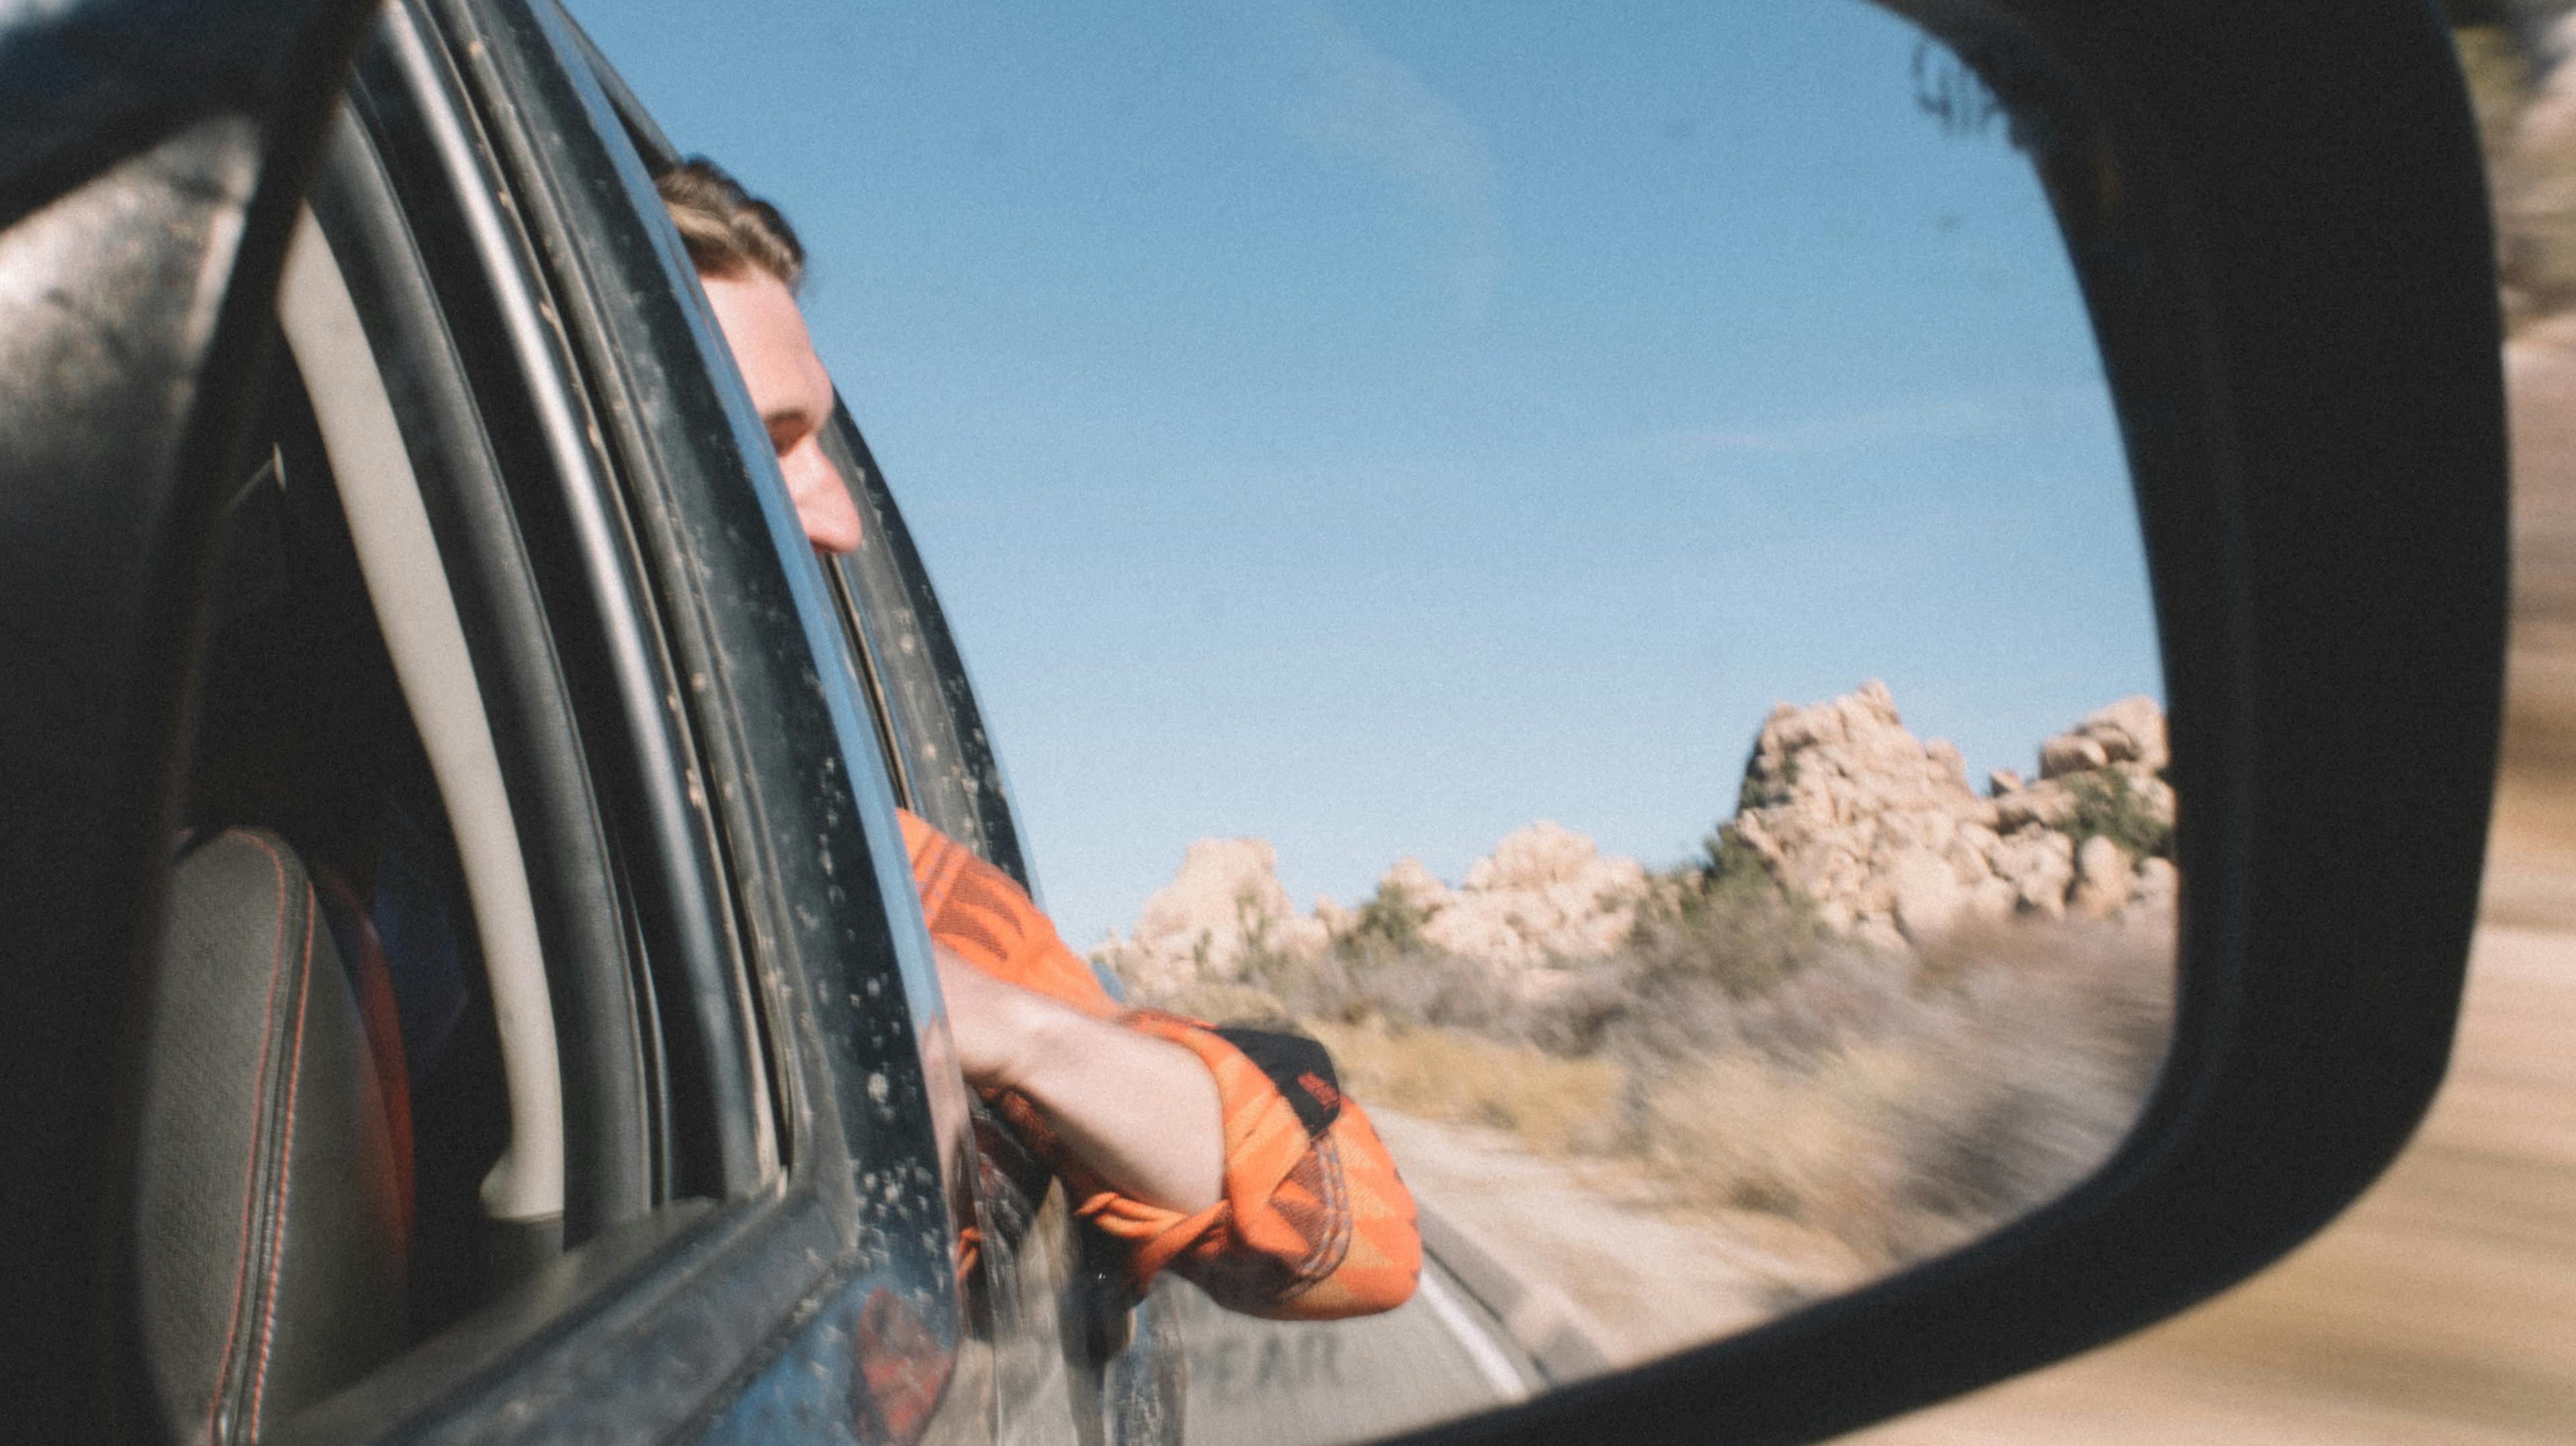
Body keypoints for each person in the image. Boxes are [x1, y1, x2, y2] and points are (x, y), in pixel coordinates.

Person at [658, 159, 1419, 1321]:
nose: (841, 517)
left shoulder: (884, 878)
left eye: (821, 443)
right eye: (773, 446)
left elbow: (1348, 1227)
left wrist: (1008, 1031)